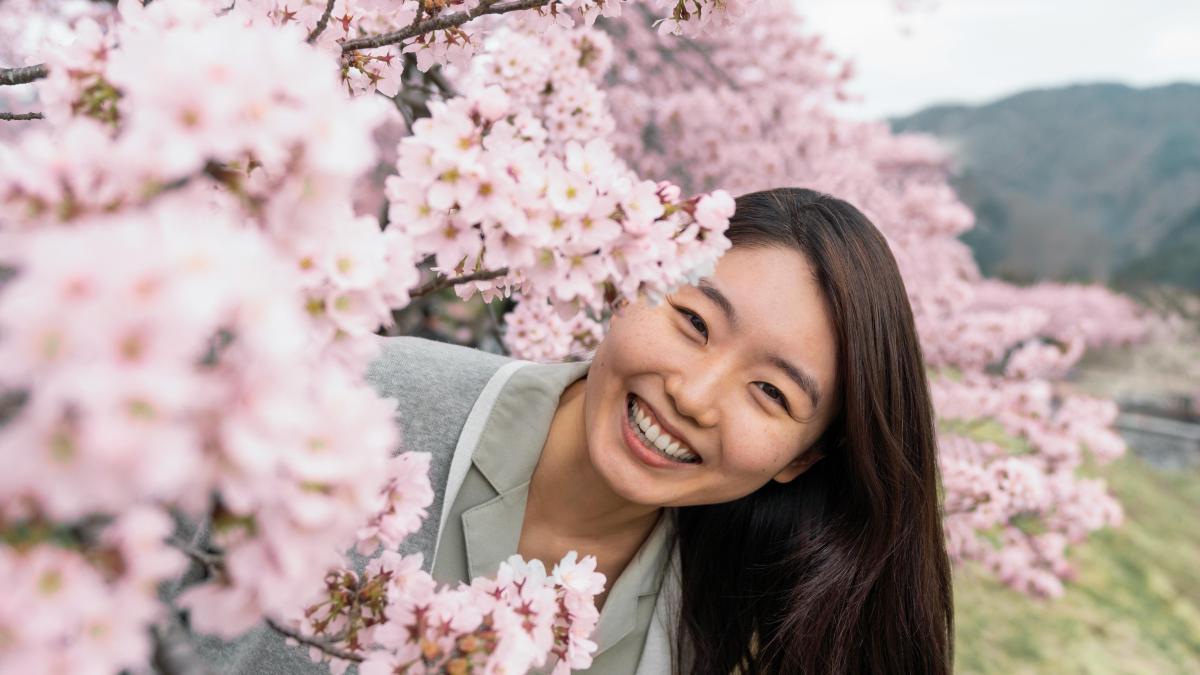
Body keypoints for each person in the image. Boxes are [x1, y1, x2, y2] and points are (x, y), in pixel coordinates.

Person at [209, 187, 953, 674]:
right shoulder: (374, 399)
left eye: (768, 392)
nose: (693, 395)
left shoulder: (705, 633)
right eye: (692, 321)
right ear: (633, 280)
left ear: (803, 458)